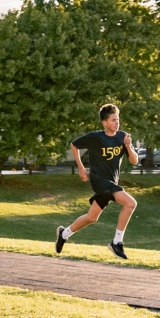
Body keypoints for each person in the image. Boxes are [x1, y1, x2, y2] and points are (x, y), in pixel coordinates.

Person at [55, 103, 139, 259]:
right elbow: (74, 145)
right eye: (113, 120)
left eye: (118, 119)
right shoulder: (95, 137)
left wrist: (128, 146)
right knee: (130, 203)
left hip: (110, 183)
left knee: (91, 218)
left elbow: (134, 161)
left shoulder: (122, 137)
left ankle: (64, 233)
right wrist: (81, 167)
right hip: (99, 181)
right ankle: (117, 242)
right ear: (104, 123)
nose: (117, 123)